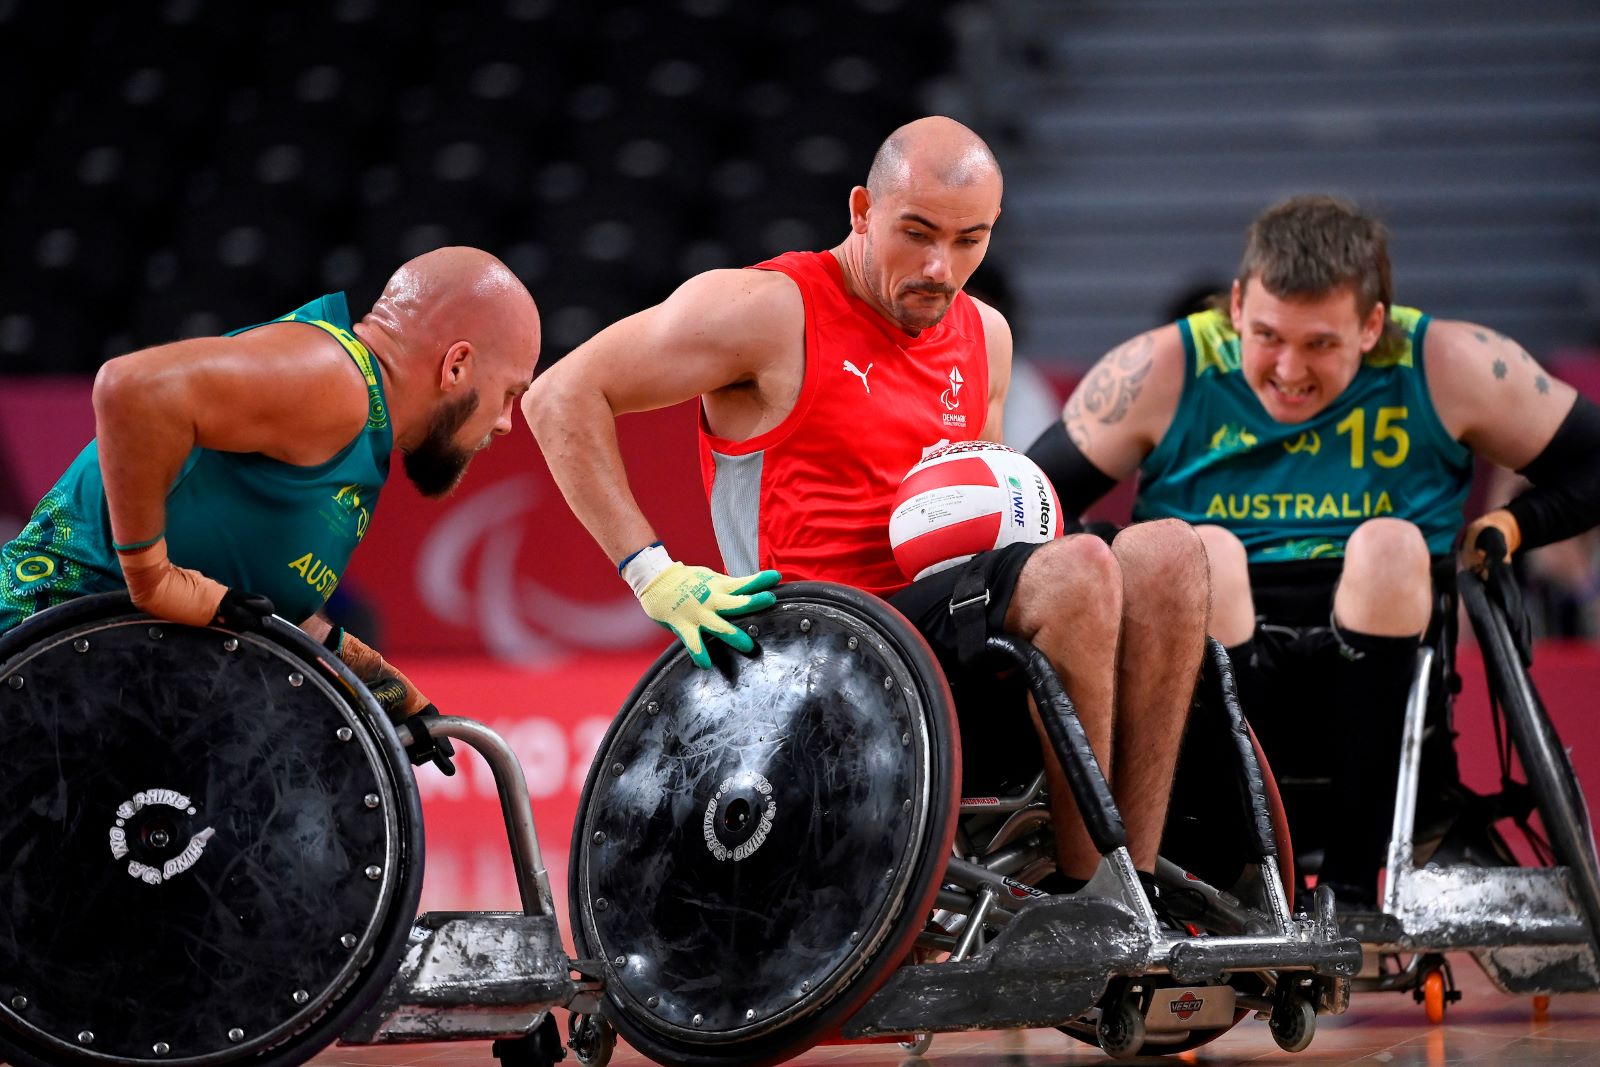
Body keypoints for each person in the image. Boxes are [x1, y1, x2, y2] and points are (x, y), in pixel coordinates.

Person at [523, 116, 1210, 899]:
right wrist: (655, 574)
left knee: (1170, 555)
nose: (938, 267)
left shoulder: (984, 334)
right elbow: (560, 395)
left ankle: (1139, 881)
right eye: (916, 233)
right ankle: (1091, 895)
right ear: (860, 210)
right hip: (819, 647)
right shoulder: (767, 309)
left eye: (968, 240)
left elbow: (985, 536)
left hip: (945, 641)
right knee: (1080, 569)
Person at [1026, 194, 1600, 909]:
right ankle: (1228, 867)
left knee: (1390, 544)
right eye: (1266, 335)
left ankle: (1353, 885)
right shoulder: (1165, 366)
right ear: (1236, 306)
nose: (1288, 369)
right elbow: (1030, 494)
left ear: (1372, 326)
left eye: (1321, 343)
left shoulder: (1448, 361)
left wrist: (1510, 527)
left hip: (1378, 674)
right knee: (1209, 551)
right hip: (1206, 675)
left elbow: (1591, 462)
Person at [0, 246, 542, 720]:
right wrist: (151, 577)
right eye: (510, 392)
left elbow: (242, 593)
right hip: (34, 647)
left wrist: (369, 675)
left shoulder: (366, 426)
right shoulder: (339, 383)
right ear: (457, 366)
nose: (505, 422)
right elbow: (130, 387)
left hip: (88, 674)